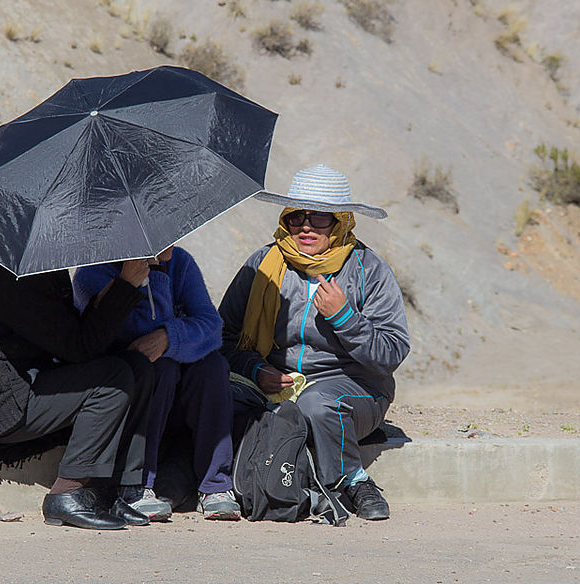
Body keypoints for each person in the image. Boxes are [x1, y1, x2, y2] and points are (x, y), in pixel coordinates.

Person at [218, 164, 411, 521]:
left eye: (320, 218)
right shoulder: (264, 264)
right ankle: (214, 487)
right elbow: (223, 335)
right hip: (274, 384)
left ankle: (352, 479)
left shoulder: (369, 270)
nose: (306, 226)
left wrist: (344, 318)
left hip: (356, 387)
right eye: (297, 216)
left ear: (341, 222)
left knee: (318, 403)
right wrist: (257, 369)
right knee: (211, 393)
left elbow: (391, 351)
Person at [0, 251, 157, 530]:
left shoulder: (41, 269)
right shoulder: (8, 275)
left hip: (21, 384)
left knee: (137, 368)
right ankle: (67, 493)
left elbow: (73, 337)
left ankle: (111, 490)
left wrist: (113, 293)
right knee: (112, 379)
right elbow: (79, 348)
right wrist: (125, 286)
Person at [73, 246, 241, 521]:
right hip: (126, 392)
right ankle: (136, 484)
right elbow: (135, 337)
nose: (170, 246)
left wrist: (169, 337)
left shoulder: (181, 262)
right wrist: (147, 277)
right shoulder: (93, 272)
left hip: (176, 395)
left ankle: (216, 485)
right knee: (159, 366)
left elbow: (211, 326)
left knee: (213, 366)